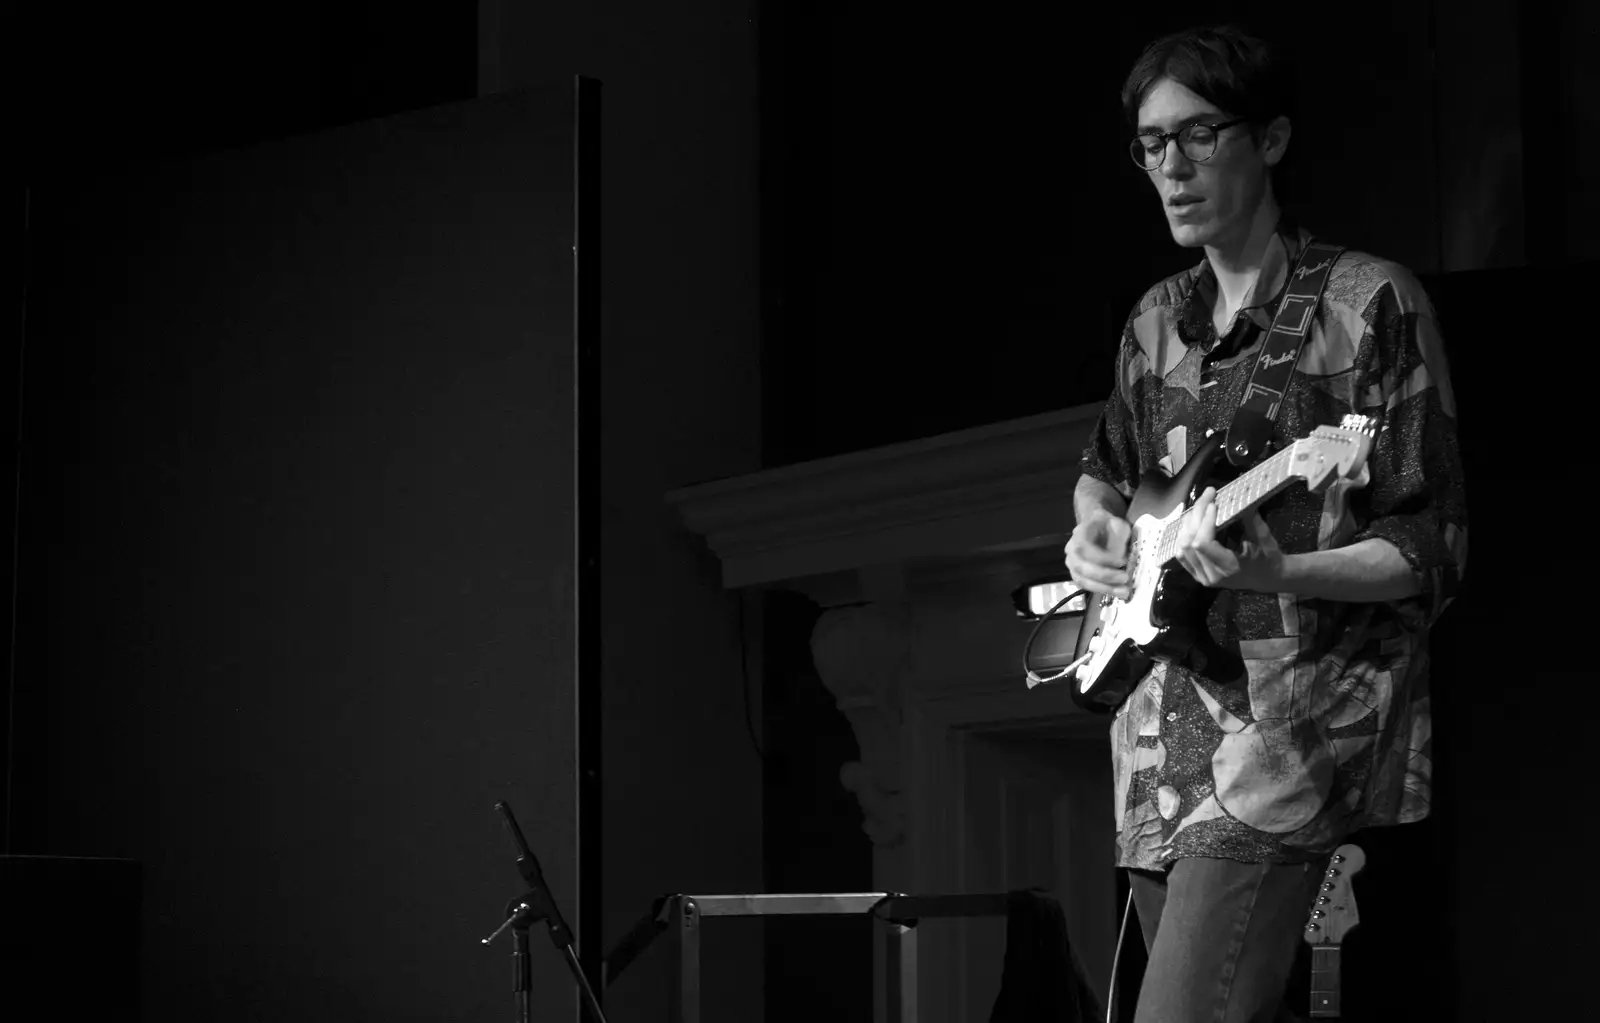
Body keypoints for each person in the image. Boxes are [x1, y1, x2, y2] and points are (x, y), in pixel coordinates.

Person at [1063, 24, 1467, 1023]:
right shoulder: (1155, 320)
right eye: (1150, 144)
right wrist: (1094, 532)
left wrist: (1274, 571)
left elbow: (1428, 547)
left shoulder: (1366, 302)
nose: (1171, 166)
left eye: (1198, 135)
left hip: (1294, 726)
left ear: (1272, 139)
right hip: (1162, 729)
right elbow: (1102, 479)